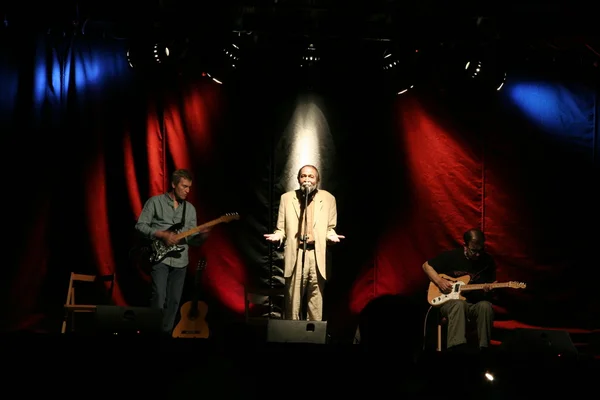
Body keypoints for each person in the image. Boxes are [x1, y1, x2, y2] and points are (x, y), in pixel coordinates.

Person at [264, 165, 345, 321]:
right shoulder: (287, 198)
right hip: (296, 253)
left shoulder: (328, 199)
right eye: (303, 176)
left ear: (317, 180)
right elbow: (281, 228)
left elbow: (330, 228)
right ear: (298, 179)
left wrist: (331, 236)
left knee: (315, 301)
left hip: (316, 255)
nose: (307, 179)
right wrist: (278, 236)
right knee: (292, 302)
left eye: (311, 176)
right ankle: (290, 338)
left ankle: (313, 339)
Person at [135, 169, 209, 334]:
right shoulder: (155, 202)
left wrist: (203, 236)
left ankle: (166, 335)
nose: (187, 190)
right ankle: (153, 333)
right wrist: (161, 234)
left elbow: (192, 239)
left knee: (175, 301)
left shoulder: (190, 209)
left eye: (189, 187)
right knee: (159, 297)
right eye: (184, 186)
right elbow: (140, 226)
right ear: (173, 185)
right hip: (160, 257)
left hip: (180, 260)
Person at [422, 228, 496, 352]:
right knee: (459, 304)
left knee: (486, 306)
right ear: (465, 246)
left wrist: (489, 289)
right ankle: (456, 350)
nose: (478, 254)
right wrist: (439, 281)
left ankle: (484, 350)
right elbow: (426, 266)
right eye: (474, 251)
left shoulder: (487, 261)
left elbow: (491, 284)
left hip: (473, 303)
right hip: (449, 303)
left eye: (481, 250)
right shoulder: (452, 256)